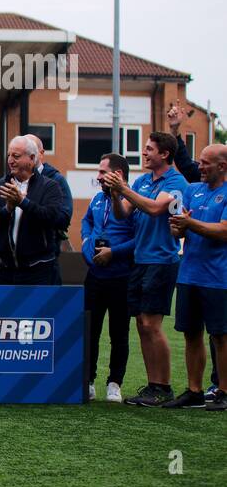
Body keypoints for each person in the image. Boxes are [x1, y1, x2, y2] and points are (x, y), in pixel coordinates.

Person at [103, 132, 189, 407]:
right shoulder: (142, 181)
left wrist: (123, 188)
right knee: (142, 324)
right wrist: (116, 194)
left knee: (152, 324)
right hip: (140, 260)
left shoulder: (176, 182)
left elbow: (154, 208)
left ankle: (164, 386)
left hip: (162, 260)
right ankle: (153, 386)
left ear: (164, 154)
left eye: (149, 149)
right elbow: (122, 213)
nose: (144, 153)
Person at [168, 144, 227, 411]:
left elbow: (223, 231)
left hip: (218, 277)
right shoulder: (192, 190)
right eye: (199, 161)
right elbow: (179, 230)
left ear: (222, 166)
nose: (199, 166)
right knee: (191, 333)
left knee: (221, 336)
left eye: (205, 163)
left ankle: (223, 391)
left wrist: (189, 224)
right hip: (189, 273)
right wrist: (178, 227)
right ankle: (194, 391)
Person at [80, 153, 136, 403]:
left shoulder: (132, 202)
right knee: (89, 330)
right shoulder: (96, 199)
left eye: (103, 172)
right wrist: (86, 243)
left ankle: (115, 383)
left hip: (121, 276)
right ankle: (88, 381)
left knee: (119, 333)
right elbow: (87, 221)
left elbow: (138, 240)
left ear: (118, 174)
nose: (98, 176)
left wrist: (114, 252)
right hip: (94, 275)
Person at [0, 135, 70, 285]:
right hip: (6, 270)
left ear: (32, 158)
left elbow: (52, 218)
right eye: (9, 155)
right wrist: (7, 209)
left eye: (16, 156)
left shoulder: (50, 186)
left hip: (39, 270)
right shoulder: (0, 185)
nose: (10, 160)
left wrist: (23, 202)